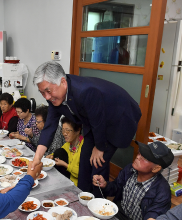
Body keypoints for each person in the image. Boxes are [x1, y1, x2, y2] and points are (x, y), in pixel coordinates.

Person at [31, 61, 141, 196]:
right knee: (85, 160)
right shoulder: (54, 95)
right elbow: (50, 126)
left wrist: (100, 147)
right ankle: (82, 198)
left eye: (48, 91)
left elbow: (99, 121)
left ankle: (98, 204)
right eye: (42, 92)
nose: (47, 97)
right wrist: (37, 158)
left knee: (98, 164)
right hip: (95, 119)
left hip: (119, 117)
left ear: (63, 82)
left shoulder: (85, 91)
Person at [93, 141, 173, 220]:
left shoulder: (162, 191)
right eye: (139, 153)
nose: (138, 157)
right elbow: (116, 187)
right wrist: (105, 185)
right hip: (119, 216)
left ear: (156, 168)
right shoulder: (130, 169)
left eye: (144, 158)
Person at [47, 117, 83, 185]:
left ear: (78, 131)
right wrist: (51, 156)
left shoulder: (84, 148)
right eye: (63, 130)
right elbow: (57, 153)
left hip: (78, 185)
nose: (64, 134)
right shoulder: (68, 144)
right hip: (67, 180)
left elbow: (82, 173)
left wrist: (65, 165)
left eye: (67, 130)